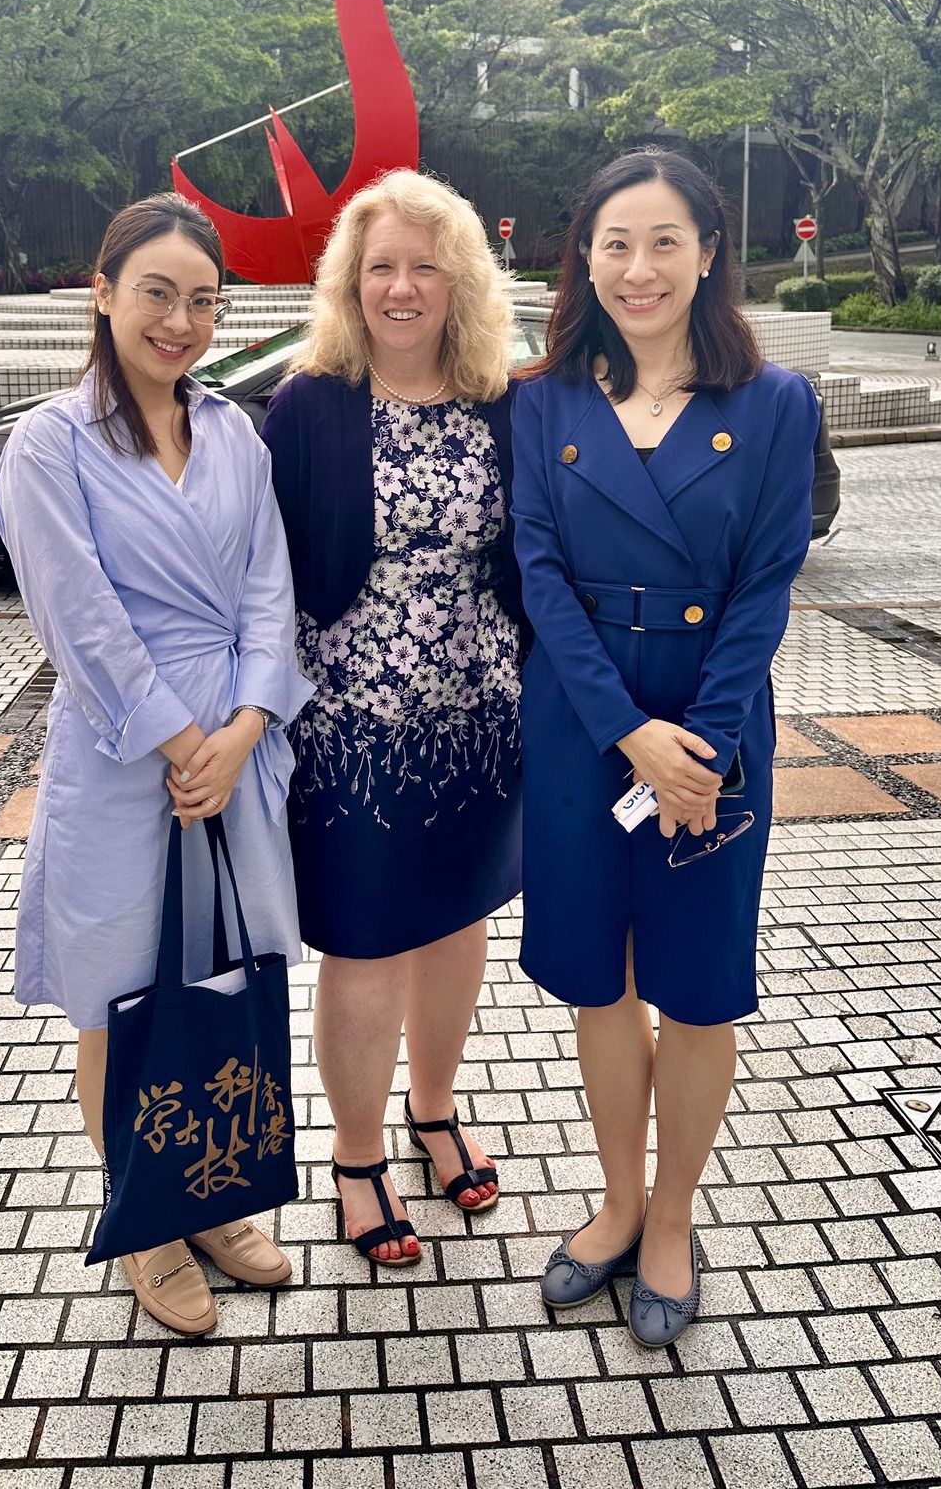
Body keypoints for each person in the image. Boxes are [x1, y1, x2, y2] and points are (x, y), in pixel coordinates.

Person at [0, 195, 313, 1337]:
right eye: (157, 293)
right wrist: (185, 740)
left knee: (234, 970)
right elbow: (78, 618)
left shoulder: (232, 429)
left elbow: (271, 586)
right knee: (124, 995)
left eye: (203, 299)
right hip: (128, 754)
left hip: (238, 746)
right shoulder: (49, 442)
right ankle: (152, 1220)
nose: (180, 321)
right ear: (104, 290)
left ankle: (219, 1194)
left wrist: (242, 728)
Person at [512, 148, 817, 1348]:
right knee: (600, 977)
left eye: (664, 242)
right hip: (587, 725)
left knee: (693, 987)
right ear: (583, 256)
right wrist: (626, 731)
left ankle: (676, 1215)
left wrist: (693, 739)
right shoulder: (544, 400)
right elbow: (539, 570)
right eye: (614, 243)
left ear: (708, 253)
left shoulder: (774, 402)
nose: (638, 269)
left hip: (712, 732)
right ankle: (618, 1199)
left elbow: (767, 582)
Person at [262, 170, 524, 1266]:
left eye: (425, 264)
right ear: (350, 281)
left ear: (458, 280)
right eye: (381, 266)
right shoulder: (310, 399)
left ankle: (435, 1105)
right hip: (352, 722)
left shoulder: (501, 395)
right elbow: (261, 572)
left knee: (457, 924)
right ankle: (358, 1153)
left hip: (478, 712)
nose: (403, 286)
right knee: (366, 943)